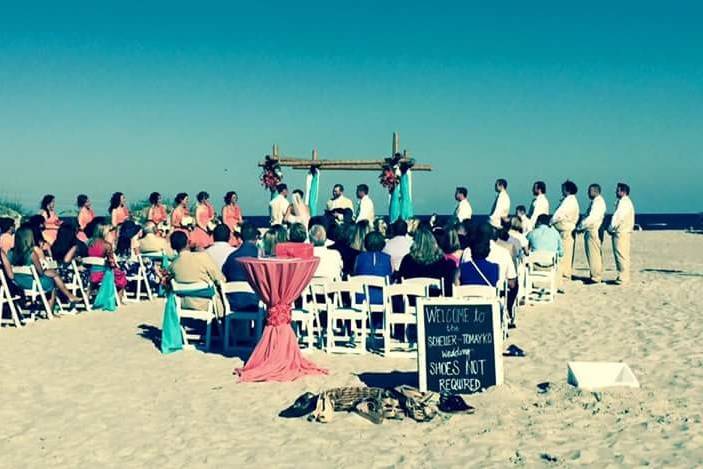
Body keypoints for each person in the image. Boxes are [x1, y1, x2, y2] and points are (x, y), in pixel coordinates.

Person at [9, 226, 80, 311]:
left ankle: (69, 296)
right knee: (52, 282)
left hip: (18, 283)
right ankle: (50, 311)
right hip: (32, 283)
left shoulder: (10, 253)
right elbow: (40, 272)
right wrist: (50, 272)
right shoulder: (32, 254)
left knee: (53, 274)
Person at [460, 223, 519, 317]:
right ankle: (509, 310)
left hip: (468, 303)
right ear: (492, 234)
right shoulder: (503, 253)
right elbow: (512, 283)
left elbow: (462, 274)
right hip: (492, 302)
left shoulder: (467, 251)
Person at [168, 231, 225, 316]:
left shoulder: (173, 265)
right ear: (187, 243)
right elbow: (220, 279)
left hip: (183, 304)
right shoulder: (202, 257)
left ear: (172, 246)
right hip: (206, 303)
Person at [397, 223, 456, 295]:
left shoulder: (407, 260)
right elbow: (447, 289)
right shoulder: (441, 262)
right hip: (435, 302)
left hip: (412, 301)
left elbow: (400, 284)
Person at [222, 223, 260, 311]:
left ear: (241, 237)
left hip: (233, 302)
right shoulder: (259, 256)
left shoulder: (231, 257)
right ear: (256, 237)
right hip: (253, 303)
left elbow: (224, 276)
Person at [88, 222, 128, 299]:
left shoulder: (89, 243)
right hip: (102, 272)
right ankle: (119, 299)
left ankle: (88, 296)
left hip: (90, 272)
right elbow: (111, 262)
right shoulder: (106, 245)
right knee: (121, 274)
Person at [577, 184, 607, 284]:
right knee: (593, 254)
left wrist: (581, 226)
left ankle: (596, 277)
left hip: (594, 230)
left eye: (590, 191)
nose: (588, 193)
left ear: (595, 191)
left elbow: (592, 218)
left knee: (594, 254)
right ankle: (594, 275)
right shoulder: (595, 202)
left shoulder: (598, 202)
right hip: (593, 229)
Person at [551, 180, 580, 282]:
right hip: (567, 229)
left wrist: (551, 222)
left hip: (566, 230)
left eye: (563, 189)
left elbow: (558, 214)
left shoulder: (569, 201)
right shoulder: (570, 200)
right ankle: (565, 272)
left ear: (567, 190)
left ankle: (565, 273)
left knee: (565, 253)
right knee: (566, 252)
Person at [354, 231, 393, 305]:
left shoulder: (359, 257)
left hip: (361, 298)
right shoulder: (388, 258)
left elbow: (355, 273)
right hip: (382, 298)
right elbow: (390, 277)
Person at [608, 182, 635, 285]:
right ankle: (624, 276)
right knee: (623, 254)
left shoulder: (624, 203)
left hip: (621, 233)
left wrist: (611, 227)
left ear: (623, 192)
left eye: (618, 190)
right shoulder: (625, 202)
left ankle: (623, 277)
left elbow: (618, 217)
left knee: (621, 254)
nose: (616, 191)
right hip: (624, 232)